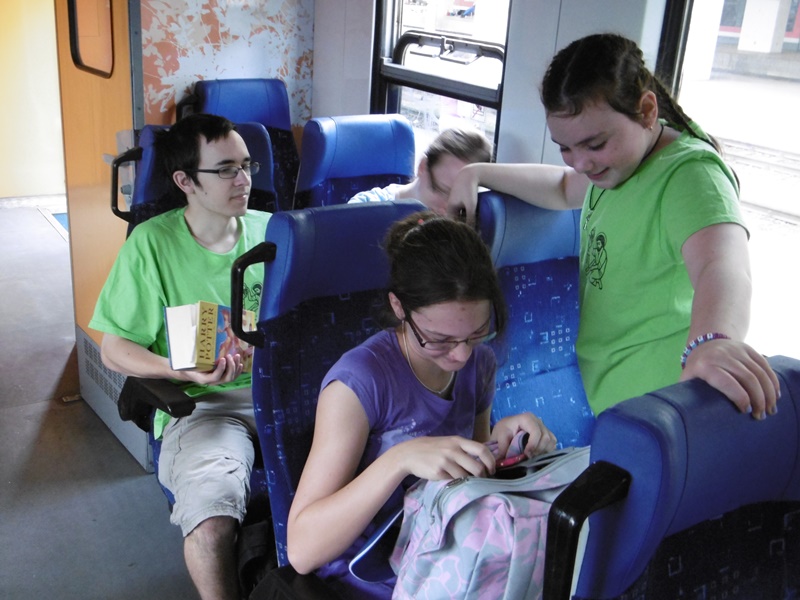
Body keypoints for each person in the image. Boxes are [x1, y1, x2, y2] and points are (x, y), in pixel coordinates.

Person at [445, 33, 780, 418]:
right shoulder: (617, 166)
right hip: (616, 401)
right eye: (565, 147)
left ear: (647, 111)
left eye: (594, 144)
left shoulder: (689, 175)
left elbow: (722, 267)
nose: (580, 162)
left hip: (664, 408)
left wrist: (714, 340)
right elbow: (562, 186)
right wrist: (476, 172)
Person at [286, 212, 557, 599]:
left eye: (477, 333)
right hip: (370, 570)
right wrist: (400, 459)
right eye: (439, 339)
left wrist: (502, 443)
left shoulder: (480, 363)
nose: (461, 355)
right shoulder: (359, 382)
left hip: (446, 550)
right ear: (399, 308)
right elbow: (302, 550)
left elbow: (468, 480)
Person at [89, 113, 271, 600]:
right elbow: (115, 349)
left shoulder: (275, 233)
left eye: (247, 166)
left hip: (286, 394)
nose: (244, 179)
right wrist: (176, 369)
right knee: (211, 523)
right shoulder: (152, 245)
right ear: (185, 181)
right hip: (204, 405)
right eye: (227, 169)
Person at [348, 128, 492, 214]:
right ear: (422, 167)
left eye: (459, 198)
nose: (448, 206)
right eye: (442, 191)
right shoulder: (365, 208)